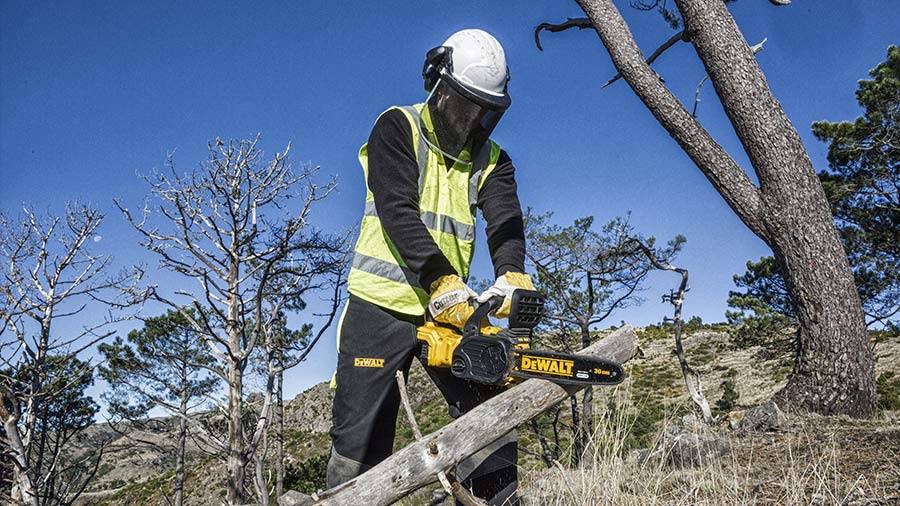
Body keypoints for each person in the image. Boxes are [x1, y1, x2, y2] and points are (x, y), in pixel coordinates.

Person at [327, 28, 533, 505]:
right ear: (438, 86)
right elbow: (397, 209)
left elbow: (506, 217)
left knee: (491, 410)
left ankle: (494, 498)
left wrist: (511, 271)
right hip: (381, 305)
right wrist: (439, 277)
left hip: (452, 310)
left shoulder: (492, 160)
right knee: (361, 439)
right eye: (465, 104)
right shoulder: (397, 128)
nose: (472, 117)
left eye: (484, 109)